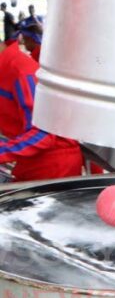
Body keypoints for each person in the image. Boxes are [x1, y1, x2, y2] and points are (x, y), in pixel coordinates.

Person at [0, 23, 82, 182]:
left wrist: (3, 152)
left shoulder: (22, 72)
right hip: (31, 160)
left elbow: (42, 133)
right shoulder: (7, 68)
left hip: (52, 165)